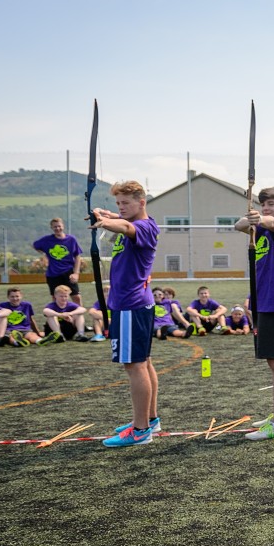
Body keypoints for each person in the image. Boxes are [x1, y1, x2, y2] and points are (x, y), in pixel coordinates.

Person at [92, 180, 161, 447]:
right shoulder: (129, 221)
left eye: (126, 203)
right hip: (129, 303)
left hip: (132, 305)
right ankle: (150, 419)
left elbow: (127, 226)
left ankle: (141, 429)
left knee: (134, 365)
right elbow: (119, 220)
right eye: (118, 203)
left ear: (141, 202)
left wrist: (105, 222)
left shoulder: (144, 227)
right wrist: (105, 215)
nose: (121, 208)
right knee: (143, 362)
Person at [237, 186, 274, 441]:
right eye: (263, 204)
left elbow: (271, 222)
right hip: (263, 301)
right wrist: (251, 219)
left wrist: (260, 219)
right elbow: (239, 225)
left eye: (271, 203)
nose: (266, 207)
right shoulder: (258, 229)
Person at [32, 217, 84, 306]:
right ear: (52, 228)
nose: (57, 228)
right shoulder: (47, 240)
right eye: (55, 227)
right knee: (56, 298)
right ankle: (59, 317)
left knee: (76, 297)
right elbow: (35, 245)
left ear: (63, 226)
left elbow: (77, 256)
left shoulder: (71, 239)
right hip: (53, 273)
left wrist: (76, 273)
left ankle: (78, 317)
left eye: (59, 226)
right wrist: (44, 254)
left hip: (68, 272)